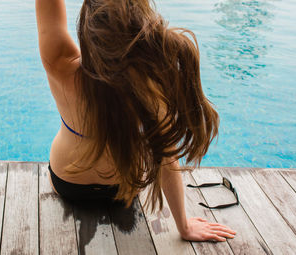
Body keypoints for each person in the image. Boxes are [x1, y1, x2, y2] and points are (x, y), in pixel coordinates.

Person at [35, 0, 236, 242]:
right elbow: (167, 157)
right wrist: (183, 226)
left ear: (88, 35)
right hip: (126, 188)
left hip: (68, 183)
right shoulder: (150, 86)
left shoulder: (60, 65)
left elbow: (48, 10)